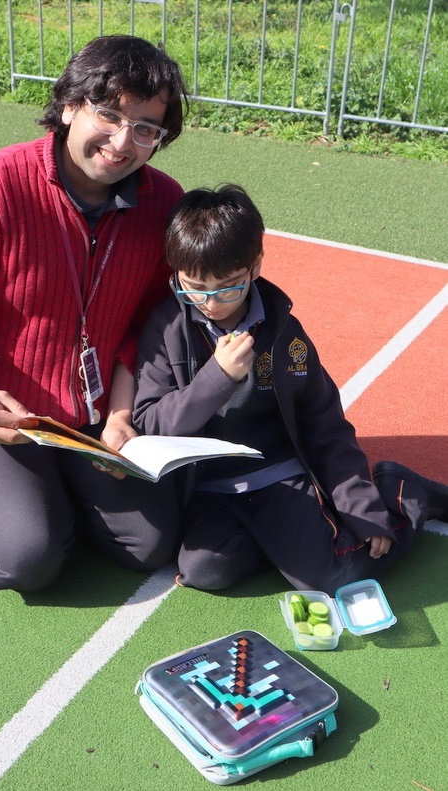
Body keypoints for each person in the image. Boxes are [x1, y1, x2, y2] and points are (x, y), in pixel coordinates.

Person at [0, 35, 189, 592]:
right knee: (30, 558)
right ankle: (25, 501)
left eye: (145, 128)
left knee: (150, 546)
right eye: (108, 114)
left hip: (91, 416)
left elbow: (150, 323)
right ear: (69, 106)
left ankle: (61, 490)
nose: (121, 141)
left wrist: (119, 412)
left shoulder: (163, 203)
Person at [133, 184, 448, 594]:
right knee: (206, 572)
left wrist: (363, 510)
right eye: (194, 287)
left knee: (329, 578)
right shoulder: (166, 328)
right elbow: (149, 422)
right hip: (209, 489)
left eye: (228, 286)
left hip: (276, 476)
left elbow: (324, 424)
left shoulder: (284, 335)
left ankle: (404, 494)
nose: (210, 303)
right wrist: (217, 378)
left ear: (255, 267)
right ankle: (289, 544)